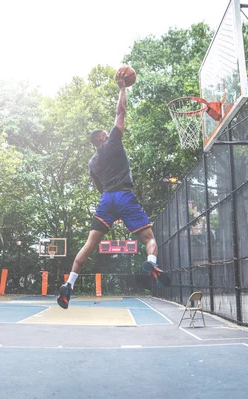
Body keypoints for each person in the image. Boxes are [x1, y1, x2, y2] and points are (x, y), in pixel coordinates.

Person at [57, 68, 170, 309]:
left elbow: (98, 187)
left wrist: (111, 208)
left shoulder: (92, 163)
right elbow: (121, 112)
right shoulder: (113, 143)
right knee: (149, 238)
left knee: (89, 245)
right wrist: (122, 87)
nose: (109, 134)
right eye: (106, 134)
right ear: (101, 138)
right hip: (125, 195)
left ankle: (69, 284)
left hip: (106, 199)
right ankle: (150, 260)